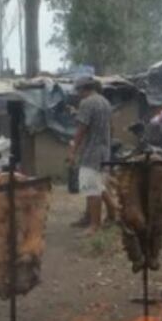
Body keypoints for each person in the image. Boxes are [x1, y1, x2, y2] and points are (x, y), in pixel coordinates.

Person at [67, 76, 112, 234]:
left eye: (78, 91)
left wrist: (72, 150)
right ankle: (95, 216)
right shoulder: (104, 102)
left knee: (91, 187)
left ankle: (94, 224)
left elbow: (81, 130)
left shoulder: (87, 103)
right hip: (104, 149)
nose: (78, 94)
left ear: (83, 89)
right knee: (97, 185)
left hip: (91, 150)